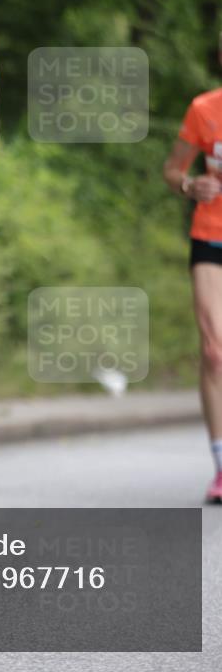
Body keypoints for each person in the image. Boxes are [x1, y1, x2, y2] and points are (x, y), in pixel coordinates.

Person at [163, 44, 222, 505]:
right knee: (214, 349)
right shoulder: (205, 110)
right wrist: (190, 185)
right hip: (212, 236)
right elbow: (173, 169)